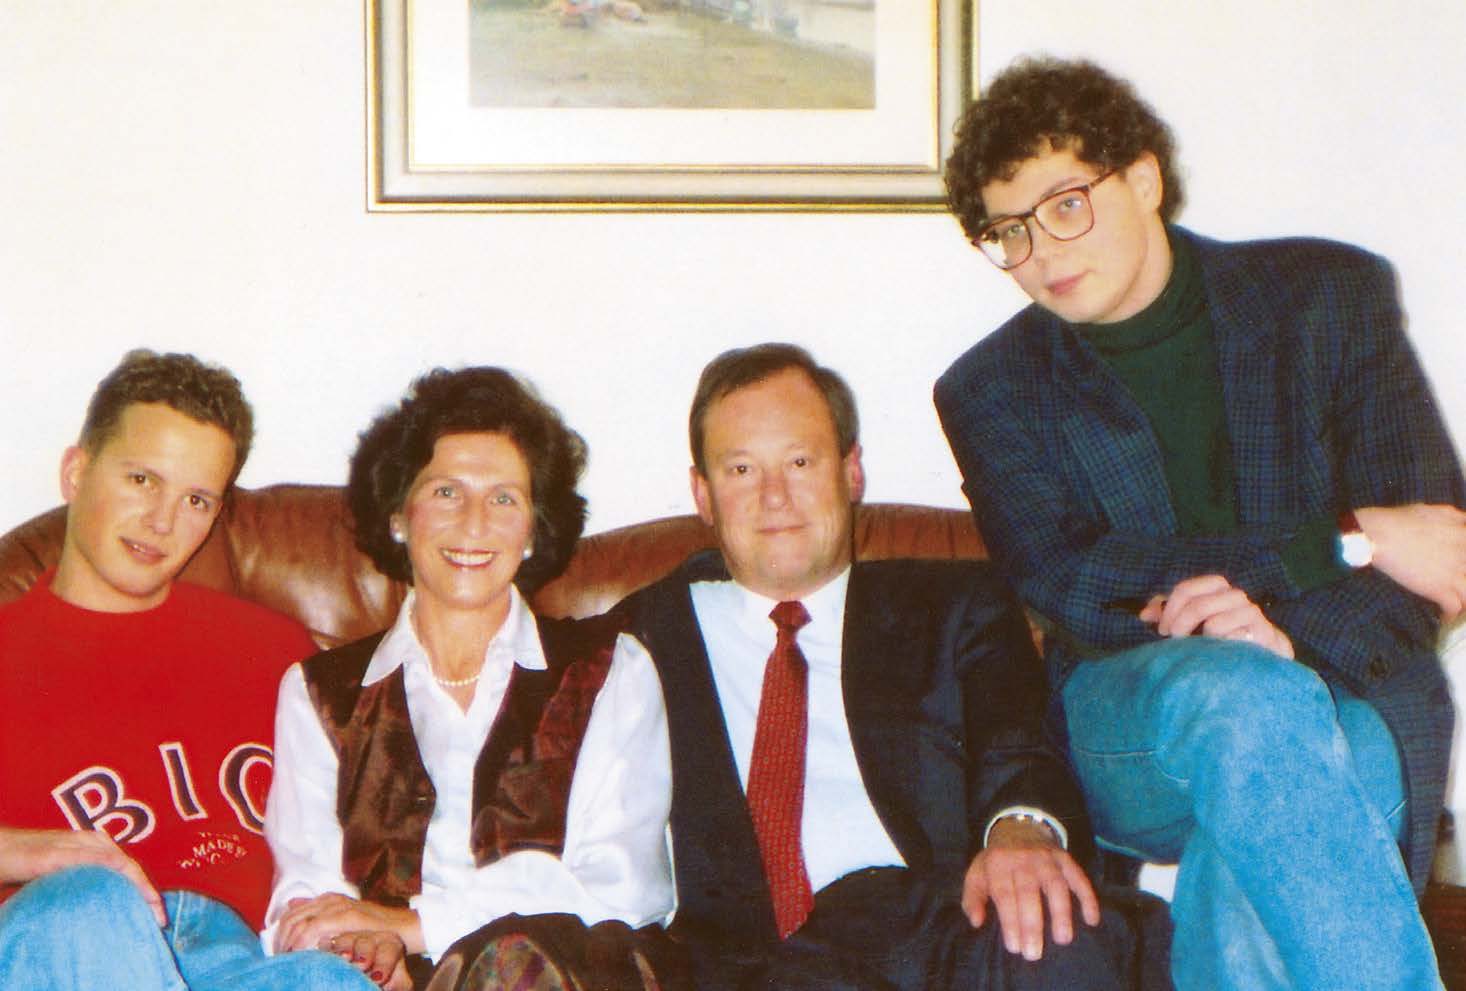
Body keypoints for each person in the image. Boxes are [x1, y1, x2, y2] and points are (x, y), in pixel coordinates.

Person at [935, 55, 1466, 991]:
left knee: (1268, 811)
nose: (1042, 253)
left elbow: (1435, 553)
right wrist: (1336, 541)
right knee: (1243, 701)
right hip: (1131, 722)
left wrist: (1288, 644)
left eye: (1065, 205)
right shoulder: (990, 390)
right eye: (1008, 231)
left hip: (1348, 686)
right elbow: (1074, 582)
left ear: (1144, 179)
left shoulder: (1327, 298)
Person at [613, 343, 1149, 990]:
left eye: (800, 462)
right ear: (703, 494)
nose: (774, 496)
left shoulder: (955, 605)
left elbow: (1018, 741)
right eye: (742, 469)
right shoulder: (646, 630)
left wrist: (1020, 830)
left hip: (942, 928)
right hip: (757, 969)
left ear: (851, 472)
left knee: (1052, 933)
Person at [263, 367, 673, 990]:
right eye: (447, 492)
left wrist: (415, 927)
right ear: (400, 516)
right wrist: (365, 950)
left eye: (504, 499)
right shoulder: (318, 692)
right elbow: (307, 890)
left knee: (514, 960)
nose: (474, 523)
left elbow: (623, 885)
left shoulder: (610, 668)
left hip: (563, 978)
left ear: (533, 530)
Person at [0, 350, 373, 991]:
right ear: (75, 472)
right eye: (142, 480)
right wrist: (22, 850)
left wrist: (373, 929)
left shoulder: (275, 651)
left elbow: (374, 827)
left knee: (324, 980)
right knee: (90, 900)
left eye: (196, 499)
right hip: (66, 944)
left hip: (238, 959)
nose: (163, 521)